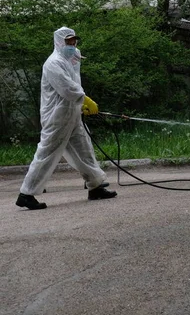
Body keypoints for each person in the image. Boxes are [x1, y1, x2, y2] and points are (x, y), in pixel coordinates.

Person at [15, 27, 117, 210]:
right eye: (68, 41)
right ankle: (26, 194)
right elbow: (67, 87)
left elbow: (75, 80)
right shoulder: (53, 63)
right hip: (56, 116)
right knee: (47, 153)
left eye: (73, 41)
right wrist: (85, 99)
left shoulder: (72, 57)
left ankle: (95, 186)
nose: (72, 44)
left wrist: (81, 105)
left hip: (72, 112)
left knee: (84, 148)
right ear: (59, 42)